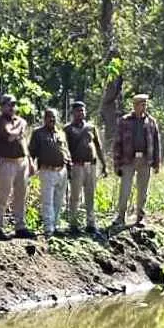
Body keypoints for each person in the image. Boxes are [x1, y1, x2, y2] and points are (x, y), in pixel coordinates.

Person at [113, 94, 161, 228]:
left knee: (143, 190)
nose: (144, 106)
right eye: (141, 104)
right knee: (125, 189)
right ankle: (121, 216)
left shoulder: (151, 121)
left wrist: (157, 163)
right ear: (134, 105)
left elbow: (156, 143)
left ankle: (140, 217)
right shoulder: (124, 121)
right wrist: (117, 164)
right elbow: (117, 143)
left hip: (145, 160)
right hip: (128, 159)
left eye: (145, 104)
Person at [0, 94, 34, 240]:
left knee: (21, 195)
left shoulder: (19, 120)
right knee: (3, 195)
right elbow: (9, 136)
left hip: (22, 162)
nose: (12, 107)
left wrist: (30, 161)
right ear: (2, 106)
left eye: (13, 104)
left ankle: (20, 227)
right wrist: (20, 129)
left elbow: (22, 141)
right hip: (7, 162)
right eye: (9, 105)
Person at [64, 100, 107, 235]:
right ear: (73, 113)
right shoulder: (67, 129)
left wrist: (104, 164)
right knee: (75, 196)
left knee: (90, 195)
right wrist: (67, 167)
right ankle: (73, 224)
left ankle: (91, 223)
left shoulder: (91, 127)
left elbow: (98, 147)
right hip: (76, 166)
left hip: (91, 166)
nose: (81, 113)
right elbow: (64, 149)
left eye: (83, 110)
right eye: (78, 110)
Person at [29, 108, 71, 237]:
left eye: (54, 117)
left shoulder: (61, 133)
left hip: (62, 171)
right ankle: (48, 228)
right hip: (47, 171)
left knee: (59, 200)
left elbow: (66, 151)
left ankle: (56, 225)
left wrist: (69, 167)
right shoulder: (38, 133)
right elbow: (31, 152)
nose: (52, 119)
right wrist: (30, 166)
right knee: (47, 201)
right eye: (49, 116)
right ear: (44, 118)